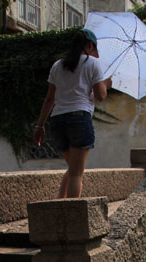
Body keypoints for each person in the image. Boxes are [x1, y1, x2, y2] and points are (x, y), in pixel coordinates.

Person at [34, 29, 112, 199]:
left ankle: (60, 204)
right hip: (79, 119)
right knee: (77, 174)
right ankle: (71, 217)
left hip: (57, 121)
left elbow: (49, 99)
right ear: (90, 45)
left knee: (72, 169)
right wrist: (106, 83)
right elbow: (100, 96)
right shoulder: (92, 63)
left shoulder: (57, 65)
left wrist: (40, 125)